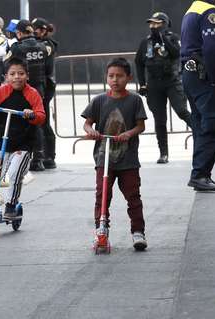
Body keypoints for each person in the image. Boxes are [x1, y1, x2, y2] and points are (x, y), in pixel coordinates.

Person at [82, 58, 148, 250]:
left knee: (133, 196)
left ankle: (138, 232)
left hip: (128, 160)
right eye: (111, 76)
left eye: (119, 76)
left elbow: (141, 125)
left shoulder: (135, 100)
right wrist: (90, 130)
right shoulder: (99, 100)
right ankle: (101, 230)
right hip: (104, 159)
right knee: (102, 196)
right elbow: (87, 122)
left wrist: (129, 133)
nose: (115, 80)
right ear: (106, 78)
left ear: (129, 77)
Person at [0, 57, 45, 228]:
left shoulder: (32, 94)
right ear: (6, 76)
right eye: (12, 74)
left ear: (27, 76)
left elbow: (41, 115)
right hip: (2, 142)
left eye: (21, 73)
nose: (17, 77)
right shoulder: (2, 91)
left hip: (23, 144)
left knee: (14, 174)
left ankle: (11, 204)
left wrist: (31, 114)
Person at [135, 12, 192, 164]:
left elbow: (176, 53)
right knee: (160, 120)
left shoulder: (173, 38)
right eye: (151, 24)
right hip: (154, 85)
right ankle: (163, 153)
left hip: (172, 82)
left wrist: (163, 38)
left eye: (157, 23)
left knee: (181, 111)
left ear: (165, 24)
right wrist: (142, 83)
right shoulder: (145, 42)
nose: (153, 26)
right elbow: (138, 63)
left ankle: (203, 135)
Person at [7, 20, 53, 171]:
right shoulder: (43, 47)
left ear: (19, 33)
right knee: (39, 122)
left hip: (24, 89)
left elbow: (9, 66)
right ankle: (41, 158)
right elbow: (48, 69)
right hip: (40, 88)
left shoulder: (17, 48)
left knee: (23, 122)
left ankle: (25, 158)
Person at [181, 0, 215, 191]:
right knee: (212, 122)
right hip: (204, 75)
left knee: (200, 122)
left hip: (191, 74)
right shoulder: (210, 11)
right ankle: (200, 174)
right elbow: (212, 48)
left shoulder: (193, 9)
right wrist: (214, 77)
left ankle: (199, 173)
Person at [32, 17, 58, 169]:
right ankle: (44, 155)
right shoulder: (41, 44)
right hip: (43, 85)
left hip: (45, 86)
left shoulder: (47, 45)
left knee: (44, 121)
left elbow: (47, 69)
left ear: (43, 30)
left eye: (35, 29)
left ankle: (49, 156)